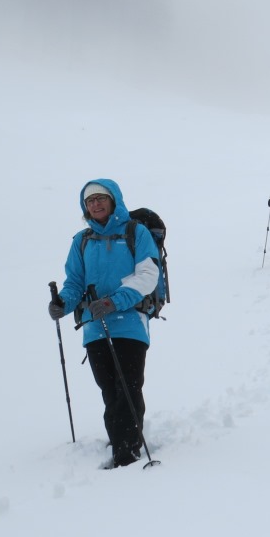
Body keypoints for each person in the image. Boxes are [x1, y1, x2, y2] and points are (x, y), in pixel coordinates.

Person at [48, 179, 160, 468]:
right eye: (89, 201)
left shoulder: (136, 232)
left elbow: (148, 275)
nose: (95, 204)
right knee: (110, 390)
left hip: (130, 323)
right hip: (95, 328)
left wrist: (114, 301)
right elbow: (75, 282)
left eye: (100, 198)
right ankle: (123, 437)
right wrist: (63, 303)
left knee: (128, 388)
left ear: (113, 200)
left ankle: (127, 453)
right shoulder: (81, 240)